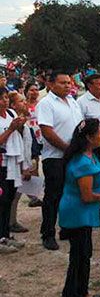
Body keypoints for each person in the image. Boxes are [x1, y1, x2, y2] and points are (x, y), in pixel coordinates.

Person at [58, 118, 100, 297]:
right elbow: (87, 196)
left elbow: (96, 177)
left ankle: (82, 290)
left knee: (84, 252)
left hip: (83, 213)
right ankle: (70, 294)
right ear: (89, 138)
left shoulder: (91, 155)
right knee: (79, 254)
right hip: (77, 212)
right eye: (99, 132)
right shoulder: (82, 161)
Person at [36, 71, 84, 250]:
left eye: (69, 83)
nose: (67, 86)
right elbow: (47, 131)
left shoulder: (72, 101)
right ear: (51, 84)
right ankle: (47, 233)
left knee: (70, 195)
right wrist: (67, 149)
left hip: (74, 156)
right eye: (62, 83)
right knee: (53, 196)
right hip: (55, 157)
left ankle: (66, 228)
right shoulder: (46, 104)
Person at [0, 88, 27, 254]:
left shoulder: (10, 113)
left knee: (9, 198)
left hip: (12, 162)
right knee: (1, 201)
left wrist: (20, 125)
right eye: (2, 98)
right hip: (1, 163)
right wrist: (10, 129)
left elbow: (19, 135)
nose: (5, 101)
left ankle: (6, 234)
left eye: (5, 98)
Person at [8, 92, 36, 234]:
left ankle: (11, 221)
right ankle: (10, 223)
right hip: (12, 163)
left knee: (16, 194)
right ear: (12, 105)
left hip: (22, 161)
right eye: (20, 101)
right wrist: (22, 166)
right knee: (11, 195)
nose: (24, 102)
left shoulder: (23, 121)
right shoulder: (12, 122)